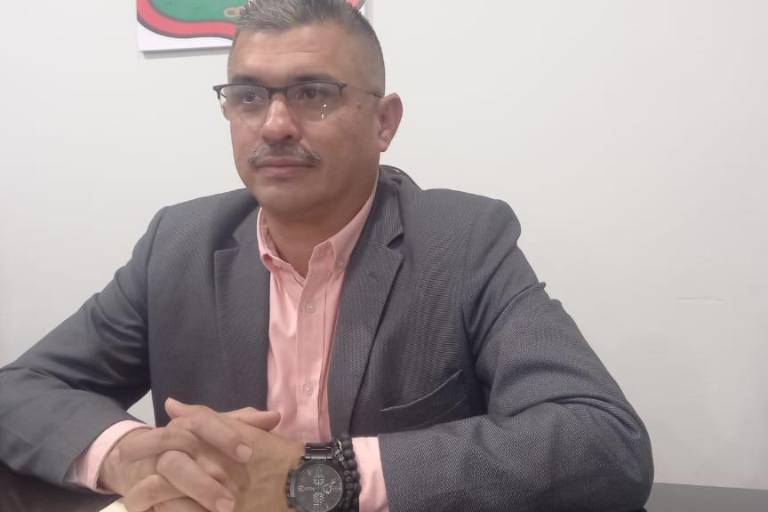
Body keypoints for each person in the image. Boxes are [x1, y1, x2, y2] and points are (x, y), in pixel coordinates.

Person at [0, 1, 653, 511]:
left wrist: (317, 477)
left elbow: (602, 441)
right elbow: (19, 390)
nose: (275, 124)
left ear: (383, 122)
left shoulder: (463, 241)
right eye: (248, 96)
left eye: (313, 93)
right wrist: (133, 453)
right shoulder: (178, 244)